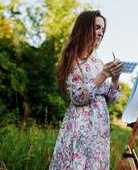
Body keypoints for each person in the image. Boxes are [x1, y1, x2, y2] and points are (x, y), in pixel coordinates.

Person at [49, 10, 122, 170]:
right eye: (97, 27)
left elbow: (111, 99)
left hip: (99, 131)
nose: (101, 33)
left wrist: (115, 78)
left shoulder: (97, 62)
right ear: (84, 29)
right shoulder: (73, 59)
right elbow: (78, 97)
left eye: (103, 29)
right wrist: (103, 75)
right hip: (80, 127)